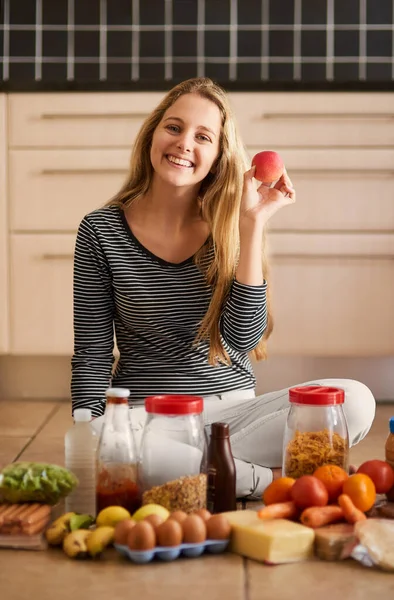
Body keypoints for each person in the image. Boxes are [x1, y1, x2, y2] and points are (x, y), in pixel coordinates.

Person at [71, 77, 376, 497]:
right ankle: (272, 481)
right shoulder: (100, 230)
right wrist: (89, 430)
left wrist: (252, 225)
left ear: (216, 156)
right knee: (142, 453)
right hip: (149, 417)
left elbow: (241, 339)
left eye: (202, 137)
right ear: (152, 135)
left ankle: (212, 475)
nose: (183, 144)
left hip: (233, 413)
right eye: (174, 128)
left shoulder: (232, 224)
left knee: (356, 400)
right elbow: (91, 350)